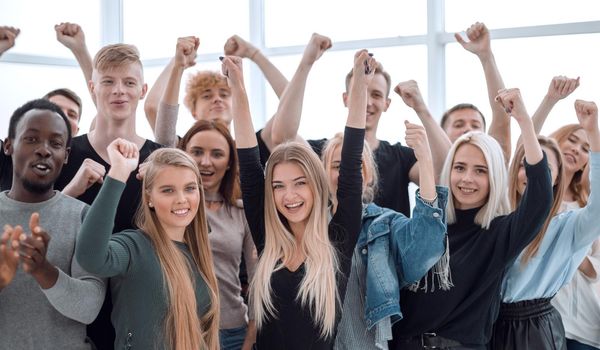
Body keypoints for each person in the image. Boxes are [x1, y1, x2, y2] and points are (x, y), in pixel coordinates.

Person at [389, 88, 553, 349]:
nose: (467, 179)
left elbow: (541, 197)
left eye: (480, 171)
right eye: (460, 168)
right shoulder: (428, 224)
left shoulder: (500, 233)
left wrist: (523, 119)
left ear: (494, 178)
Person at [229, 49, 371, 349]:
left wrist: (360, 82)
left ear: (316, 187)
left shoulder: (338, 240)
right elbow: (248, 156)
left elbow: (351, 157)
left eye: (299, 183)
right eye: (279, 186)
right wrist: (238, 87)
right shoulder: (268, 239)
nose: (289, 196)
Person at [53, 42, 163, 350]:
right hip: (71, 314)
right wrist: (71, 190)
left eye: (129, 83)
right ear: (92, 87)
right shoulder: (64, 155)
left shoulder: (158, 159)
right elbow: (46, 228)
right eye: (108, 82)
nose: (119, 91)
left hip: (141, 314)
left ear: (142, 90)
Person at [76, 142, 220, 350]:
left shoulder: (199, 251)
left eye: (189, 188)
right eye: (168, 190)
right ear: (149, 198)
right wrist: (118, 173)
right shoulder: (133, 248)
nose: (181, 199)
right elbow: (90, 256)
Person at [321, 127, 449, 350]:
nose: (347, 172)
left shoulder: (383, 224)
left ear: (368, 174)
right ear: (322, 174)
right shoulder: (307, 227)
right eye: (337, 166)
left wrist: (425, 161)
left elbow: (425, 246)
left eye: (355, 165)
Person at [491, 99, 600, 349]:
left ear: (557, 178)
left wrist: (594, 134)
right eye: (525, 167)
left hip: (535, 332)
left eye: (545, 171)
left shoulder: (567, 226)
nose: (534, 176)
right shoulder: (498, 217)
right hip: (491, 326)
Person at [0, 99, 105, 349]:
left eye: (55, 144)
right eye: (32, 139)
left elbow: (89, 308)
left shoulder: (85, 216)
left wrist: (42, 270)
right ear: (8, 146)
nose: (44, 150)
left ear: (65, 156)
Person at [178, 119, 258, 350]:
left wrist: (251, 335)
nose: (205, 162)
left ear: (230, 162)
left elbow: (257, 279)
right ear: (183, 154)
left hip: (232, 332)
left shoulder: (242, 212)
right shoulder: (173, 208)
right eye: (197, 152)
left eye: (217, 154)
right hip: (182, 330)